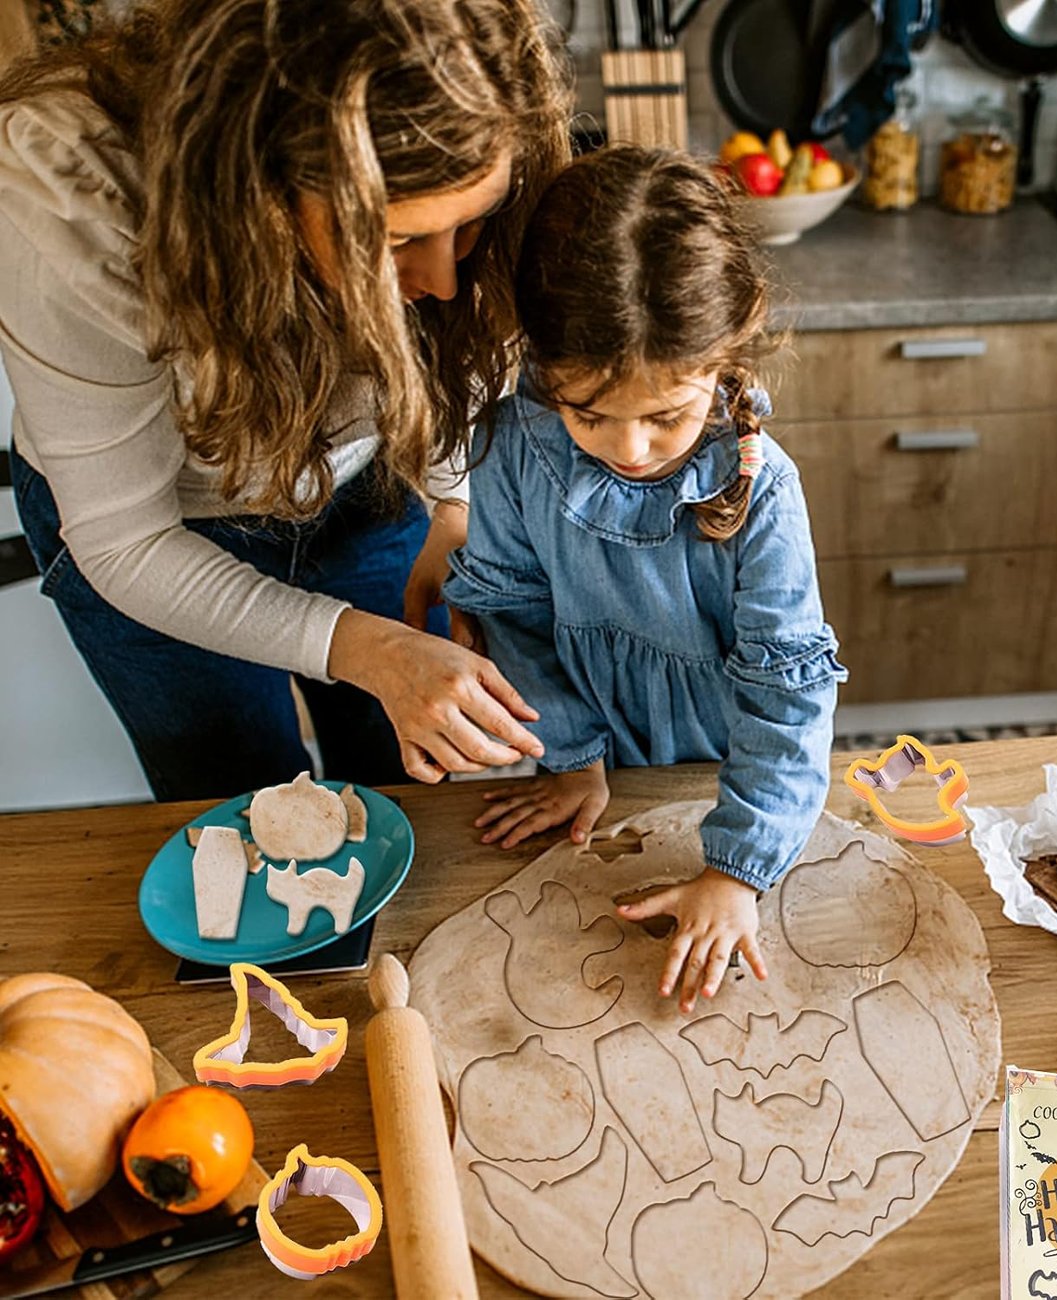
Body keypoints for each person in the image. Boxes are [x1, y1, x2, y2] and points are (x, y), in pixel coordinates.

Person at [0, 0, 571, 800]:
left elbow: (464, 330)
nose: (442, 280)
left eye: (471, 225)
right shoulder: (72, 189)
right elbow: (129, 543)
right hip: (162, 533)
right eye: (398, 242)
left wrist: (454, 505)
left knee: (408, 783)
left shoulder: (465, 220)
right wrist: (368, 649)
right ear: (258, 202)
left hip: (365, 489)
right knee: (242, 806)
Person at [443, 146, 847, 1014]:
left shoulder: (764, 489)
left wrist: (737, 868)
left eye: (666, 415)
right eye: (587, 413)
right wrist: (573, 758)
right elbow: (515, 617)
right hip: (585, 761)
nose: (627, 449)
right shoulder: (511, 448)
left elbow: (787, 698)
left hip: (726, 773)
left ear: (725, 358)